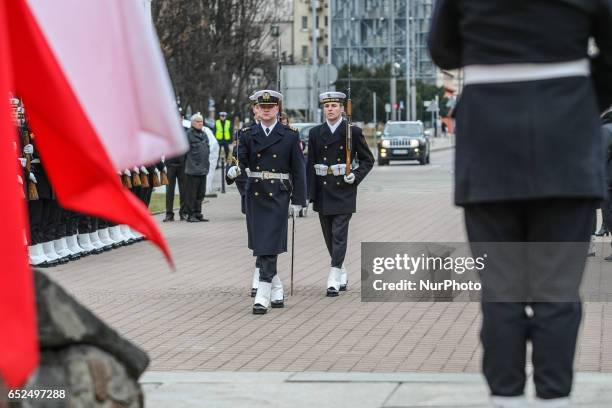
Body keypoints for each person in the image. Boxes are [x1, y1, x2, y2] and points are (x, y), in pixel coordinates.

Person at [429, 1, 612, 407]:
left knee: (501, 291)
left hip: (489, 150)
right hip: (566, 149)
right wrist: (579, 93)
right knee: (558, 291)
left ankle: (506, 397)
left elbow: (443, 49)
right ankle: (554, 397)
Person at [227, 90, 306, 314]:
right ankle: (276, 286)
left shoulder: (289, 135)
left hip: (279, 195)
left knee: (269, 244)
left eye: (271, 106)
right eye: (262, 107)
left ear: (278, 109)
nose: (267, 110)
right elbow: (239, 162)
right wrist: (232, 172)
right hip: (256, 195)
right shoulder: (246, 134)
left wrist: (299, 200)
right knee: (261, 244)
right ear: (255, 110)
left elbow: (298, 170)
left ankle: (262, 292)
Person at [306, 92, 374, 296]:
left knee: (339, 234)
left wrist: (355, 175)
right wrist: (308, 194)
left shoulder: (352, 131)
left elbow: (367, 160)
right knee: (329, 235)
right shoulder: (315, 133)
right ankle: (341, 267)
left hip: (343, 189)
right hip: (323, 189)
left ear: (343, 108)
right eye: (327, 106)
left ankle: (334, 274)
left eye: (334, 105)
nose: (330, 109)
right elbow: (309, 164)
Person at [184, 113, 210, 223]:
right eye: (198, 121)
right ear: (192, 122)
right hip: (192, 169)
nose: (200, 123)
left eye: (201, 121)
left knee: (201, 193)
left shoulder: (204, 134)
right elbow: (184, 152)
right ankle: (190, 214)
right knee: (192, 194)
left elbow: (207, 148)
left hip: (203, 169)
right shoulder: (188, 134)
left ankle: (198, 213)